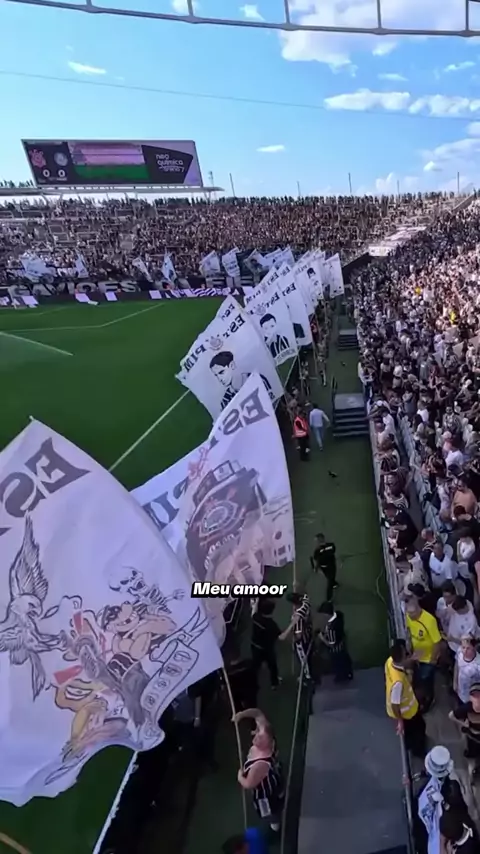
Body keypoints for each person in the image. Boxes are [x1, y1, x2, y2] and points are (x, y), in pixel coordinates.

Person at [233, 708, 284, 833]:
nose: (257, 735)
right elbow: (257, 713)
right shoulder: (266, 731)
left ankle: (275, 823)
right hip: (271, 774)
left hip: (264, 793)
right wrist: (241, 715)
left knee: (268, 811)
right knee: (278, 785)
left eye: (262, 737)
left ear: (270, 743)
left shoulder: (260, 765)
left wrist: (240, 777)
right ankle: (280, 793)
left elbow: (248, 784)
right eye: (258, 733)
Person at [384, 638, 426, 758]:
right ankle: (418, 751)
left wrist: (412, 659)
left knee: (413, 731)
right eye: (405, 654)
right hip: (407, 713)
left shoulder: (389, 662)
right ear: (402, 657)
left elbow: (402, 664)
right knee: (418, 730)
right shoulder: (398, 683)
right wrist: (400, 721)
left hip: (407, 710)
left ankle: (412, 745)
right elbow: (395, 704)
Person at [405, 597, 442, 712]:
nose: (410, 616)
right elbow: (409, 631)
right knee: (417, 680)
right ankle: (419, 699)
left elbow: (437, 642)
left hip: (428, 658)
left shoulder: (429, 620)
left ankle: (429, 700)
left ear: (419, 610)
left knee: (426, 680)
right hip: (416, 656)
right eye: (408, 613)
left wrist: (433, 660)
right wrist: (410, 646)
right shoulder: (408, 616)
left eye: (412, 614)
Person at [317, 600, 354, 683]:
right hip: (342, 645)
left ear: (327, 614)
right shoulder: (339, 616)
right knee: (345, 660)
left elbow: (331, 644)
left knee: (338, 664)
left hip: (336, 650)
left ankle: (342, 677)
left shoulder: (332, 629)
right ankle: (348, 674)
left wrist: (321, 637)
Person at [281, 591, 313, 680]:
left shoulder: (298, 618)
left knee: (304, 659)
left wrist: (293, 639)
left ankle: (307, 676)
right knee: (309, 656)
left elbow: (299, 634)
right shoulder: (306, 603)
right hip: (308, 634)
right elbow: (305, 596)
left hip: (302, 641)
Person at [251, 598, 281, 689]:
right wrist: (292, 624)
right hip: (267, 649)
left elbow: (253, 611)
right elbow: (281, 637)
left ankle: (253, 684)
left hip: (255, 647)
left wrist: (256, 601)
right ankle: (274, 683)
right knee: (273, 666)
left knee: (255, 667)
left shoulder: (256, 617)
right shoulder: (272, 625)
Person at [311, 532, 338, 601]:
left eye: (317, 540)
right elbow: (317, 560)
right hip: (325, 567)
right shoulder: (317, 551)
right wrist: (316, 568)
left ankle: (329, 598)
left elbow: (332, 551)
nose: (316, 542)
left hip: (330, 566)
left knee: (330, 580)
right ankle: (333, 583)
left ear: (321, 539)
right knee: (330, 579)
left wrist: (323, 551)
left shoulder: (329, 546)